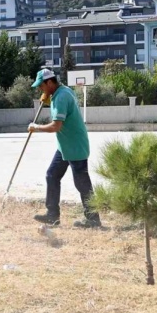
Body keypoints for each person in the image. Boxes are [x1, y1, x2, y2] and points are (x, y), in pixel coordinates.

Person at [27, 68, 101, 228]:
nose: (40, 89)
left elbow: (56, 126)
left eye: (42, 86)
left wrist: (36, 127)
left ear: (50, 82)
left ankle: (93, 219)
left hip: (75, 146)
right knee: (52, 175)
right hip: (65, 146)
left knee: (82, 184)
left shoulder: (61, 97)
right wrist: (49, 99)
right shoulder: (62, 92)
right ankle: (52, 215)